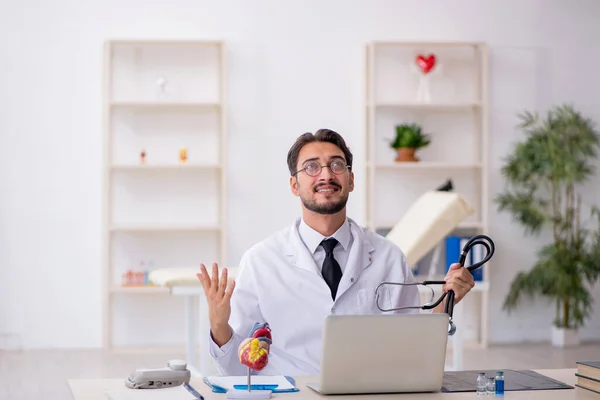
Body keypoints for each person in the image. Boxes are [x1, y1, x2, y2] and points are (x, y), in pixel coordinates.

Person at [196, 129, 475, 377]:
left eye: (336, 165)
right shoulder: (260, 261)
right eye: (312, 167)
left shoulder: (388, 256)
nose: (326, 175)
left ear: (351, 180)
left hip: (367, 393)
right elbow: (236, 368)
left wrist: (447, 300)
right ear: (294, 185)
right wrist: (219, 325)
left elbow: (413, 344)